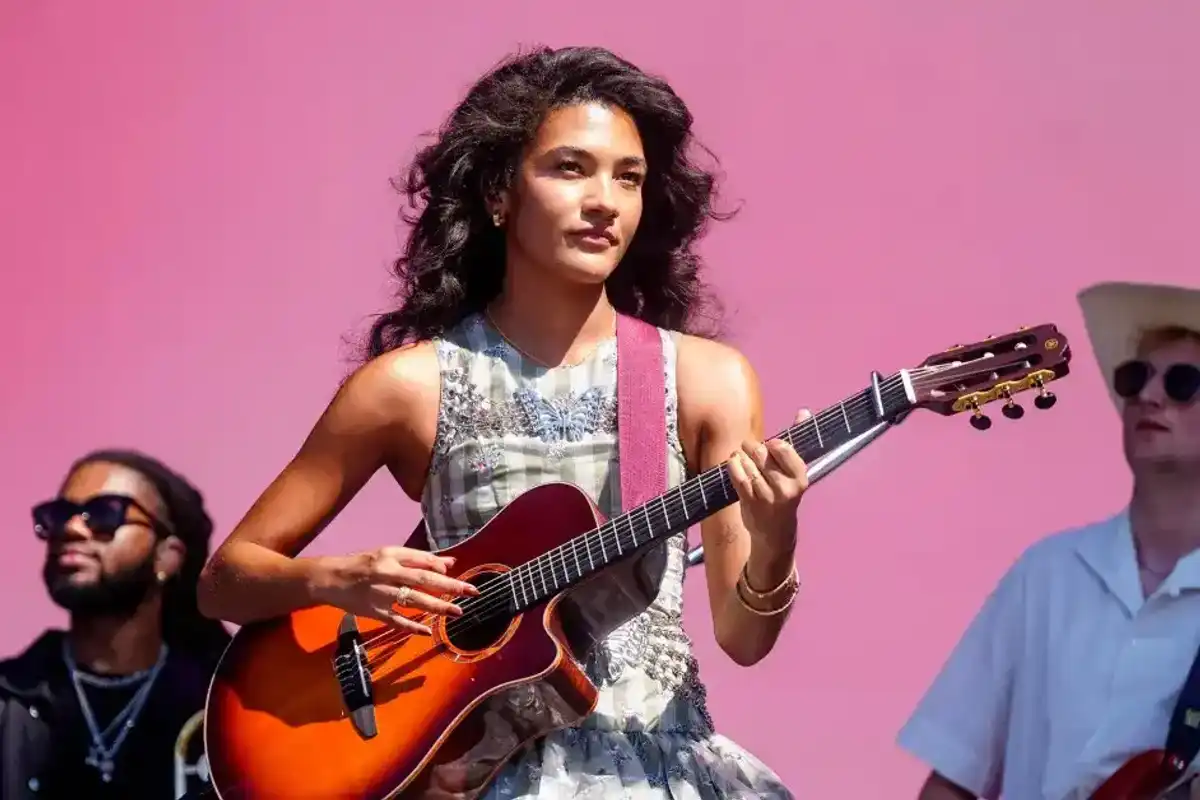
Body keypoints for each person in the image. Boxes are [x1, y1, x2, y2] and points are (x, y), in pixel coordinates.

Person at [198, 45, 807, 798]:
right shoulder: (407, 386)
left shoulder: (706, 379)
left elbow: (743, 641)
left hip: (656, 765)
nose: (604, 202)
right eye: (570, 168)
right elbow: (224, 583)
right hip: (466, 773)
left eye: (629, 177)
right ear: (498, 192)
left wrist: (776, 534)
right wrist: (337, 580)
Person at [897, 280, 1200, 799]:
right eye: (1135, 377)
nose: (1148, 394)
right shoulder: (1048, 573)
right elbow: (952, 777)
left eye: (1182, 382)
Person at [0, 449, 232, 800]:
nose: (72, 528)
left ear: (167, 557)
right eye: (59, 515)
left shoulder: (217, 708)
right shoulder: (9, 698)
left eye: (105, 513)